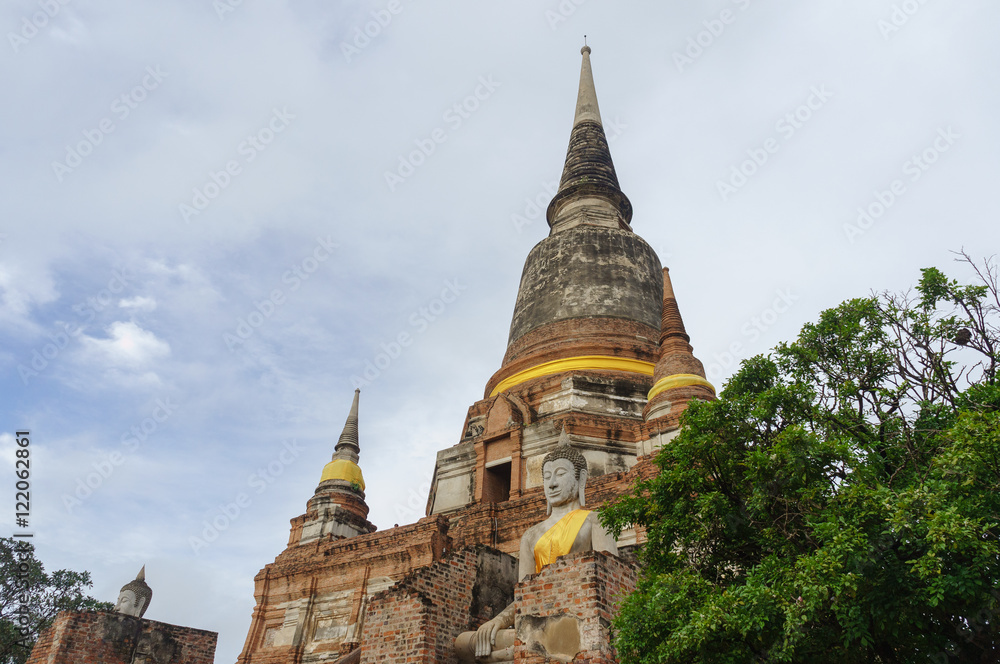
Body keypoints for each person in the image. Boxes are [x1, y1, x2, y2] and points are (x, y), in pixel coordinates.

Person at [473, 429, 617, 658]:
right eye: (547, 476)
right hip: (535, 618)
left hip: (581, 614)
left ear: (581, 479)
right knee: (469, 642)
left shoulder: (595, 520)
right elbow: (524, 594)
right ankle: (521, 648)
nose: (551, 484)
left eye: (560, 474)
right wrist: (497, 621)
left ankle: (520, 651)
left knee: (561, 633)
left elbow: (611, 580)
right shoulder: (531, 535)